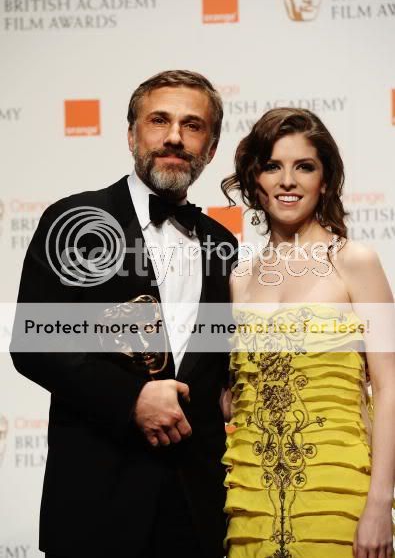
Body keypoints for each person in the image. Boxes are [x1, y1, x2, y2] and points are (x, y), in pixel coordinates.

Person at [10, 70, 238, 558]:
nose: (175, 136)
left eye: (192, 125)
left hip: (198, 511)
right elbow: (34, 342)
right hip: (99, 505)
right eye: (159, 120)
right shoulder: (77, 221)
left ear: (211, 147)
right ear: (132, 133)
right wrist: (131, 398)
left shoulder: (222, 243)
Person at [221, 108, 395, 558]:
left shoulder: (355, 261)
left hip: (338, 491)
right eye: (272, 166)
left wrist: (380, 503)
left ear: (326, 180)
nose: (288, 181)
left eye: (304, 166)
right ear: (253, 180)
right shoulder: (239, 277)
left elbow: (391, 386)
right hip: (251, 495)